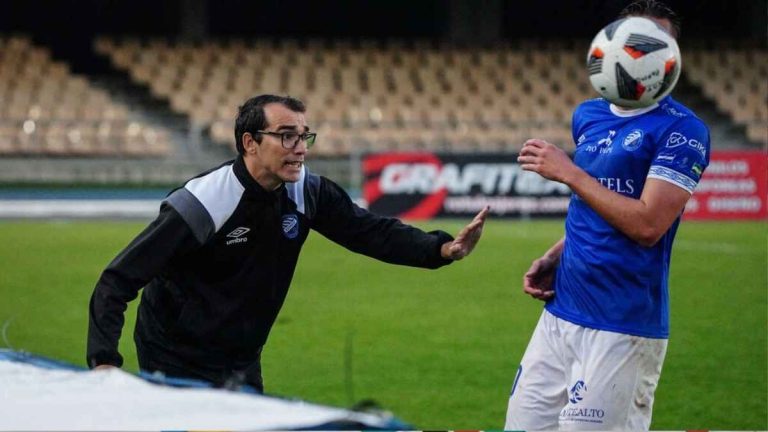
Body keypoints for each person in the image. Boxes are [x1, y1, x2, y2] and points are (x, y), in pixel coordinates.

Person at [87, 94, 489, 392]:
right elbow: (117, 280)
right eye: (286, 136)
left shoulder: (307, 192)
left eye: (303, 136)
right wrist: (104, 363)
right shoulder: (205, 203)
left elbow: (369, 231)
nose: (300, 148)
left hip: (242, 356)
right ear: (249, 143)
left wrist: (440, 249)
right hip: (173, 352)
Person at [504, 1, 709, 430]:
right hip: (561, 315)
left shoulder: (682, 130)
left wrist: (570, 172)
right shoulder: (589, 114)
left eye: (657, 42)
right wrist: (559, 253)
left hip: (622, 327)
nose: (643, 51)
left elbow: (649, 224)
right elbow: (599, 202)